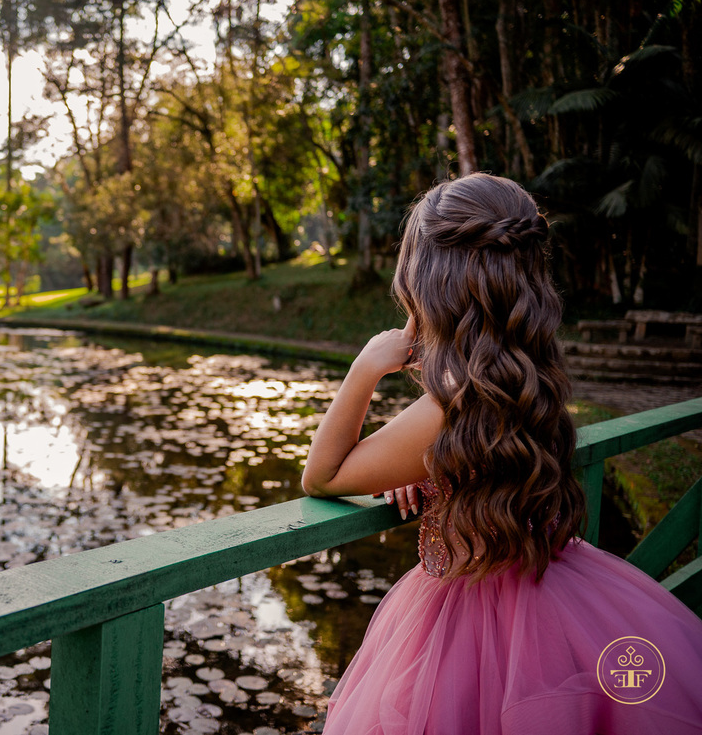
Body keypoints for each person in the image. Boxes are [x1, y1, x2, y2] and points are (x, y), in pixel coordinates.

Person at [301, 173, 702, 734]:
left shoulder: (449, 408)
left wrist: (365, 366)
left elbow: (321, 477)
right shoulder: (532, 377)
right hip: (557, 595)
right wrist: (428, 471)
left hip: (472, 619)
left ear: (433, 284)